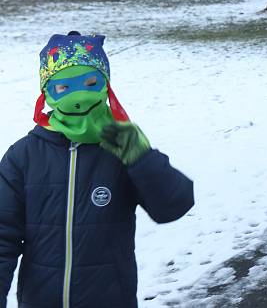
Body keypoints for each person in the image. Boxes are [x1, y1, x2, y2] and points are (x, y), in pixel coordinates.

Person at [0, 32, 194, 307]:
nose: (78, 96)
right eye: (63, 88)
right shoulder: (24, 156)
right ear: (46, 93)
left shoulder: (121, 148)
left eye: (90, 83)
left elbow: (174, 205)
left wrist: (141, 157)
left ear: (106, 86)